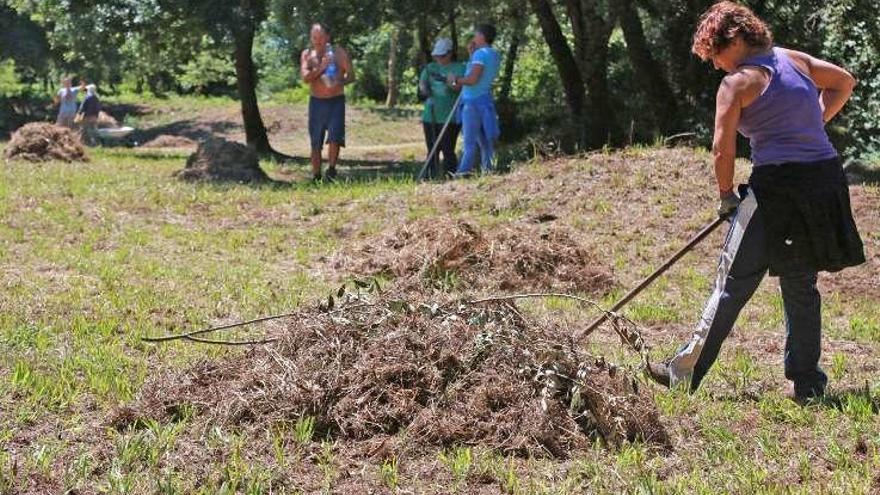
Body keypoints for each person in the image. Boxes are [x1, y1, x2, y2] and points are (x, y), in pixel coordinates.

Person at [646, 2, 865, 402]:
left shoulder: (739, 83)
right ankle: (808, 384)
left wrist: (726, 195)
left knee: (733, 281)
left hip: (776, 189)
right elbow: (845, 81)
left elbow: (721, 150)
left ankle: (684, 372)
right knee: (801, 283)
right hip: (824, 180)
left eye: (715, 54)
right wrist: (814, 122)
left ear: (735, 39)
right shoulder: (793, 59)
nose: (715, 65)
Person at [300, 23, 354, 182]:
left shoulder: (339, 53)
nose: (317, 41)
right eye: (314, 37)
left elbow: (351, 75)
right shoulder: (307, 54)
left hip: (336, 101)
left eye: (320, 37)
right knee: (315, 141)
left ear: (327, 37)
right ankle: (316, 175)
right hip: (316, 102)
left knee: (335, 138)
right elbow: (305, 77)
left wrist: (340, 82)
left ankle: (331, 170)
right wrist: (321, 68)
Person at [447, 24, 501, 177]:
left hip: (472, 102)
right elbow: (479, 74)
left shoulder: (481, 54)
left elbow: (472, 79)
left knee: (469, 142)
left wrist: (455, 80)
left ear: (482, 36)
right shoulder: (493, 54)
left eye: (476, 35)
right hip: (485, 100)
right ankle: (488, 170)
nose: (474, 38)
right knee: (485, 142)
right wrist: (471, 55)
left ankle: (462, 172)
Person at [419, 38, 466, 178]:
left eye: (442, 55)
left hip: (450, 117)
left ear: (450, 53)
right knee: (432, 149)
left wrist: (448, 81)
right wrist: (426, 92)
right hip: (430, 115)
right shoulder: (430, 68)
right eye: (437, 55)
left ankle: (450, 176)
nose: (439, 58)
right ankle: (430, 177)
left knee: (448, 149)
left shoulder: (460, 68)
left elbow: (461, 88)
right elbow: (422, 84)